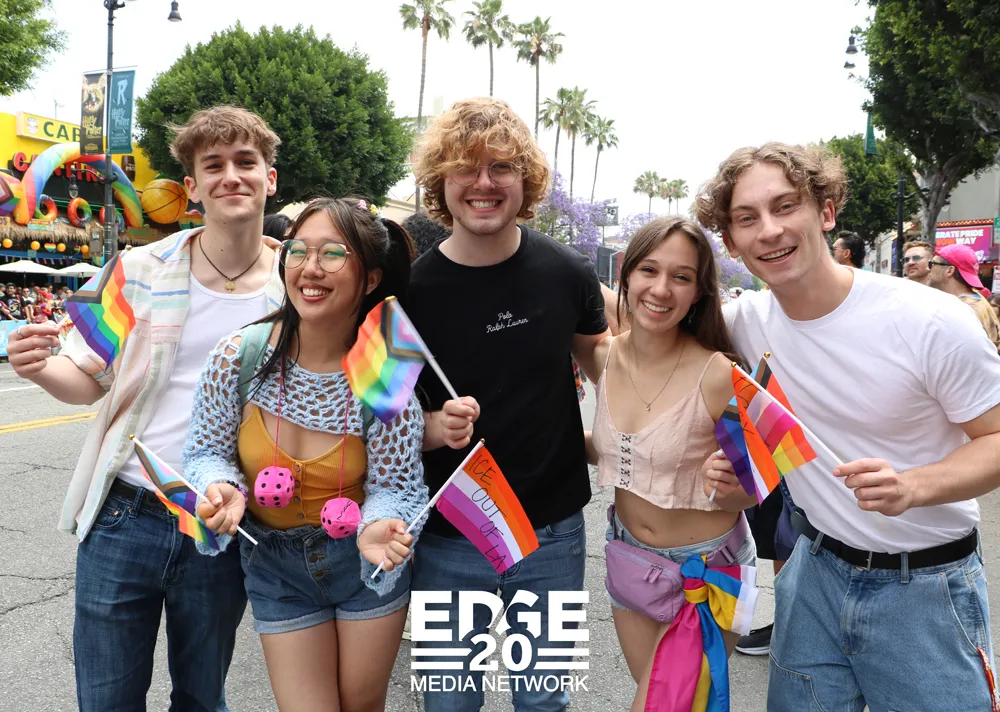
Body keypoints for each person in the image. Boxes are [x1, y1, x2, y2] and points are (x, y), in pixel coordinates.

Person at [697, 142, 1000, 711]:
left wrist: (913, 486)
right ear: (731, 241)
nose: (769, 230)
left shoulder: (929, 320)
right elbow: (639, 328)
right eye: (746, 218)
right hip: (813, 573)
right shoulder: (743, 323)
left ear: (827, 211)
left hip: (927, 587)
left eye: (786, 206)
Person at [5, 105, 284, 711]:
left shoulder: (296, 286)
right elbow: (85, 378)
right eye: (213, 165)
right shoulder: (136, 269)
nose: (230, 176)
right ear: (191, 188)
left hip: (221, 523)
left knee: (202, 699)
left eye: (246, 162)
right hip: (125, 515)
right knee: (106, 700)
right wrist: (38, 367)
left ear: (270, 178)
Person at [184, 196, 428, 711]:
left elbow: (396, 485)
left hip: (360, 563)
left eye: (333, 254)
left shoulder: (386, 375)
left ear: (370, 279)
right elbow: (206, 450)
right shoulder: (238, 357)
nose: (310, 268)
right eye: (298, 251)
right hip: (274, 567)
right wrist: (221, 486)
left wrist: (379, 523)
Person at [407, 97, 610, 712]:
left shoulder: (567, 272)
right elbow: (383, 417)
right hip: (448, 532)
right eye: (465, 167)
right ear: (441, 181)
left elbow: (609, 367)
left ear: (527, 181)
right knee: (449, 702)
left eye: (501, 167)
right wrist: (431, 427)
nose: (484, 183)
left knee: (545, 701)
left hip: (553, 531)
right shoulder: (410, 291)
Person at [586, 216, 755, 708]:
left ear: (699, 292)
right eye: (649, 270)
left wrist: (732, 485)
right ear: (627, 275)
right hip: (629, 560)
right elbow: (619, 449)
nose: (661, 289)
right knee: (670, 701)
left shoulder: (720, 374)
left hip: (708, 573)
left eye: (681, 277)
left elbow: (757, 486)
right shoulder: (604, 358)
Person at [926, 243, 1000, 351]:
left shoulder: (962, 310)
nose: (928, 269)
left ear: (949, 271)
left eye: (932, 264)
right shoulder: (975, 299)